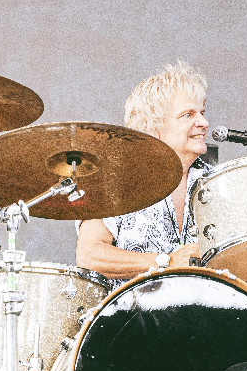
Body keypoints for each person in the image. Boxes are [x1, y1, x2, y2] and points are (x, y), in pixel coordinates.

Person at [75, 59, 210, 284]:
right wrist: (166, 262)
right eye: (188, 115)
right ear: (151, 127)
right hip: (131, 316)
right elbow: (89, 255)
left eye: (202, 112)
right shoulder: (114, 178)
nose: (204, 122)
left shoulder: (216, 181)